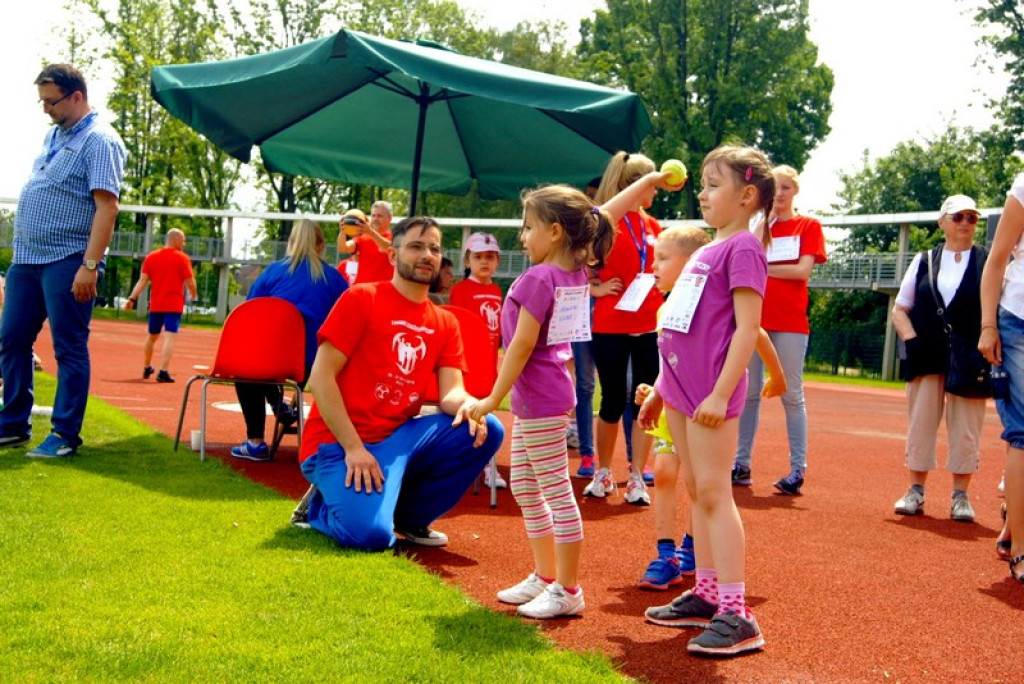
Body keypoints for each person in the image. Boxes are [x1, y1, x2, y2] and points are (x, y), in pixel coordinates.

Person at [297, 215, 504, 550]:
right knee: (371, 536)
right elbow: (320, 378)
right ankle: (317, 508)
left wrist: (469, 406)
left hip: (398, 439)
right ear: (393, 255)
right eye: (416, 247)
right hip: (338, 442)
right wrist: (353, 448)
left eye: (434, 249)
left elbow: (451, 392)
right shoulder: (361, 298)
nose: (427, 255)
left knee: (487, 427)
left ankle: (408, 518)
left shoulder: (445, 322)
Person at [640, 145, 772, 657]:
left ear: (745, 195)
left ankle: (738, 614)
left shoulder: (743, 249)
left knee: (716, 493)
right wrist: (661, 388)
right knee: (697, 488)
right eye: (702, 183)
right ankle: (709, 592)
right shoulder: (704, 250)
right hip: (680, 388)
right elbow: (679, 323)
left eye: (713, 185)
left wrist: (720, 391)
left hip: (710, 393)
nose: (702, 192)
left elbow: (747, 328)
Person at [468, 185, 614, 620]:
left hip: (542, 401)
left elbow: (521, 345)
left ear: (554, 232)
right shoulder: (571, 273)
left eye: (528, 227)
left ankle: (568, 589)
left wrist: (495, 395)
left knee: (553, 492)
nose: (522, 237)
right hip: (545, 397)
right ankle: (546, 576)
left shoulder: (539, 278)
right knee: (528, 488)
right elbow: (601, 214)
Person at [635, 227, 786, 592]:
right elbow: (673, 351)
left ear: (692, 263)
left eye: (662, 259)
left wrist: (778, 376)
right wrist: (658, 391)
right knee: (682, 480)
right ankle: (684, 569)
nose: (653, 267)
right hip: (675, 398)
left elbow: (755, 331)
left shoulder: (727, 271)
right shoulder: (669, 303)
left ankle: (724, 593)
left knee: (710, 488)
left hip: (706, 398)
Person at [0, 63, 126, 458]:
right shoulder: (54, 135)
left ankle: (65, 435)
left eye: (51, 101)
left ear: (77, 96)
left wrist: (89, 266)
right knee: (11, 339)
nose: (46, 109)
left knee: (69, 346)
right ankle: (13, 423)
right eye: (41, 102)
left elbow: (107, 207)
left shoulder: (100, 140)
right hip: (28, 258)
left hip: (68, 258)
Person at [891, 195, 988, 523]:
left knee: (966, 427)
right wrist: (911, 340)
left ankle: (961, 496)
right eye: (958, 216)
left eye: (972, 218)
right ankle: (916, 491)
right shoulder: (922, 261)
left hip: (970, 356)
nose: (965, 223)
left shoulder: (989, 262)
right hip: (927, 352)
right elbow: (900, 308)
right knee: (921, 421)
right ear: (942, 222)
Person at [732, 165, 827, 494]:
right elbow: (744, 258)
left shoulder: (808, 226)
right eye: (775, 189)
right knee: (748, 393)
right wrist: (762, 226)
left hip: (789, 322)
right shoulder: (761, 227)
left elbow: (802, 271)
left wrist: (764, 266)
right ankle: (741, 463)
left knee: (791, 393)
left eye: (786, 188)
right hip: (754, 320)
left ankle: (797, 468)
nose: (781, 194)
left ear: (795, 190)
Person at [229, 220, 348, 462]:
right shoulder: (335, 279)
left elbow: (252, 314)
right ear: (322, 245)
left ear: (291, 243)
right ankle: (336, 442)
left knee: (248, 373)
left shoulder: (273, 273)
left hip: (274, 361)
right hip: (318, 367)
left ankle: (256, 442)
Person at [584, 151, 664, 505]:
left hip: (648, 322)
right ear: (634, 185)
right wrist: (595, 288)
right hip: (611, 322)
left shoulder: (654, 226)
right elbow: (574, 265)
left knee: (646, 401)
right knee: (613, 398)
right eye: (652, 185)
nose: (656, 192)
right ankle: (603, 472)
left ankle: (636, 476)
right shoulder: (606, 221)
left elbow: (664, 265)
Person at [979, 174, 1024, 582]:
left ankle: (1013, 516)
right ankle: (1023, 549)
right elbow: (996, 260)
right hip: (1019, 322)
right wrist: (987, 325)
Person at [449, 231, 506, 489]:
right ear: (467, 261)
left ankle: (487, 464)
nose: (485, 262)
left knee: (488, 412)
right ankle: (468, 463)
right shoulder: (461, 290)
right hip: (467, 366)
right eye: (479, 256)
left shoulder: (496, 290)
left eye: (490, 257)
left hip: (489, 365)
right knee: (467, 413)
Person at [123, 228, 198, 383]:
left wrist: (131, 298)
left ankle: (146, 366)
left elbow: (142, 280)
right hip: (174, 305)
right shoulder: (182, 258)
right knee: (170, 337)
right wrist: (193, 293)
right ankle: (163, 371)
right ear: (176, 240)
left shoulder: (151, 257)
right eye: (183, 240)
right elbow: (190, 281)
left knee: (152, 336)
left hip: (156, 304)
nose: (184, 244)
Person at [337, 201, 395, 285]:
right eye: (373, 216)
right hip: (363, 291)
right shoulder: (362, 237)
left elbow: (387, 248)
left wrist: (371, 232)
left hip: (383, 291)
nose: (375, 219)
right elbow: (344, 248)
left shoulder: (395, 238)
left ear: (390, 218)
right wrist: (342, 232)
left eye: (379, 216)